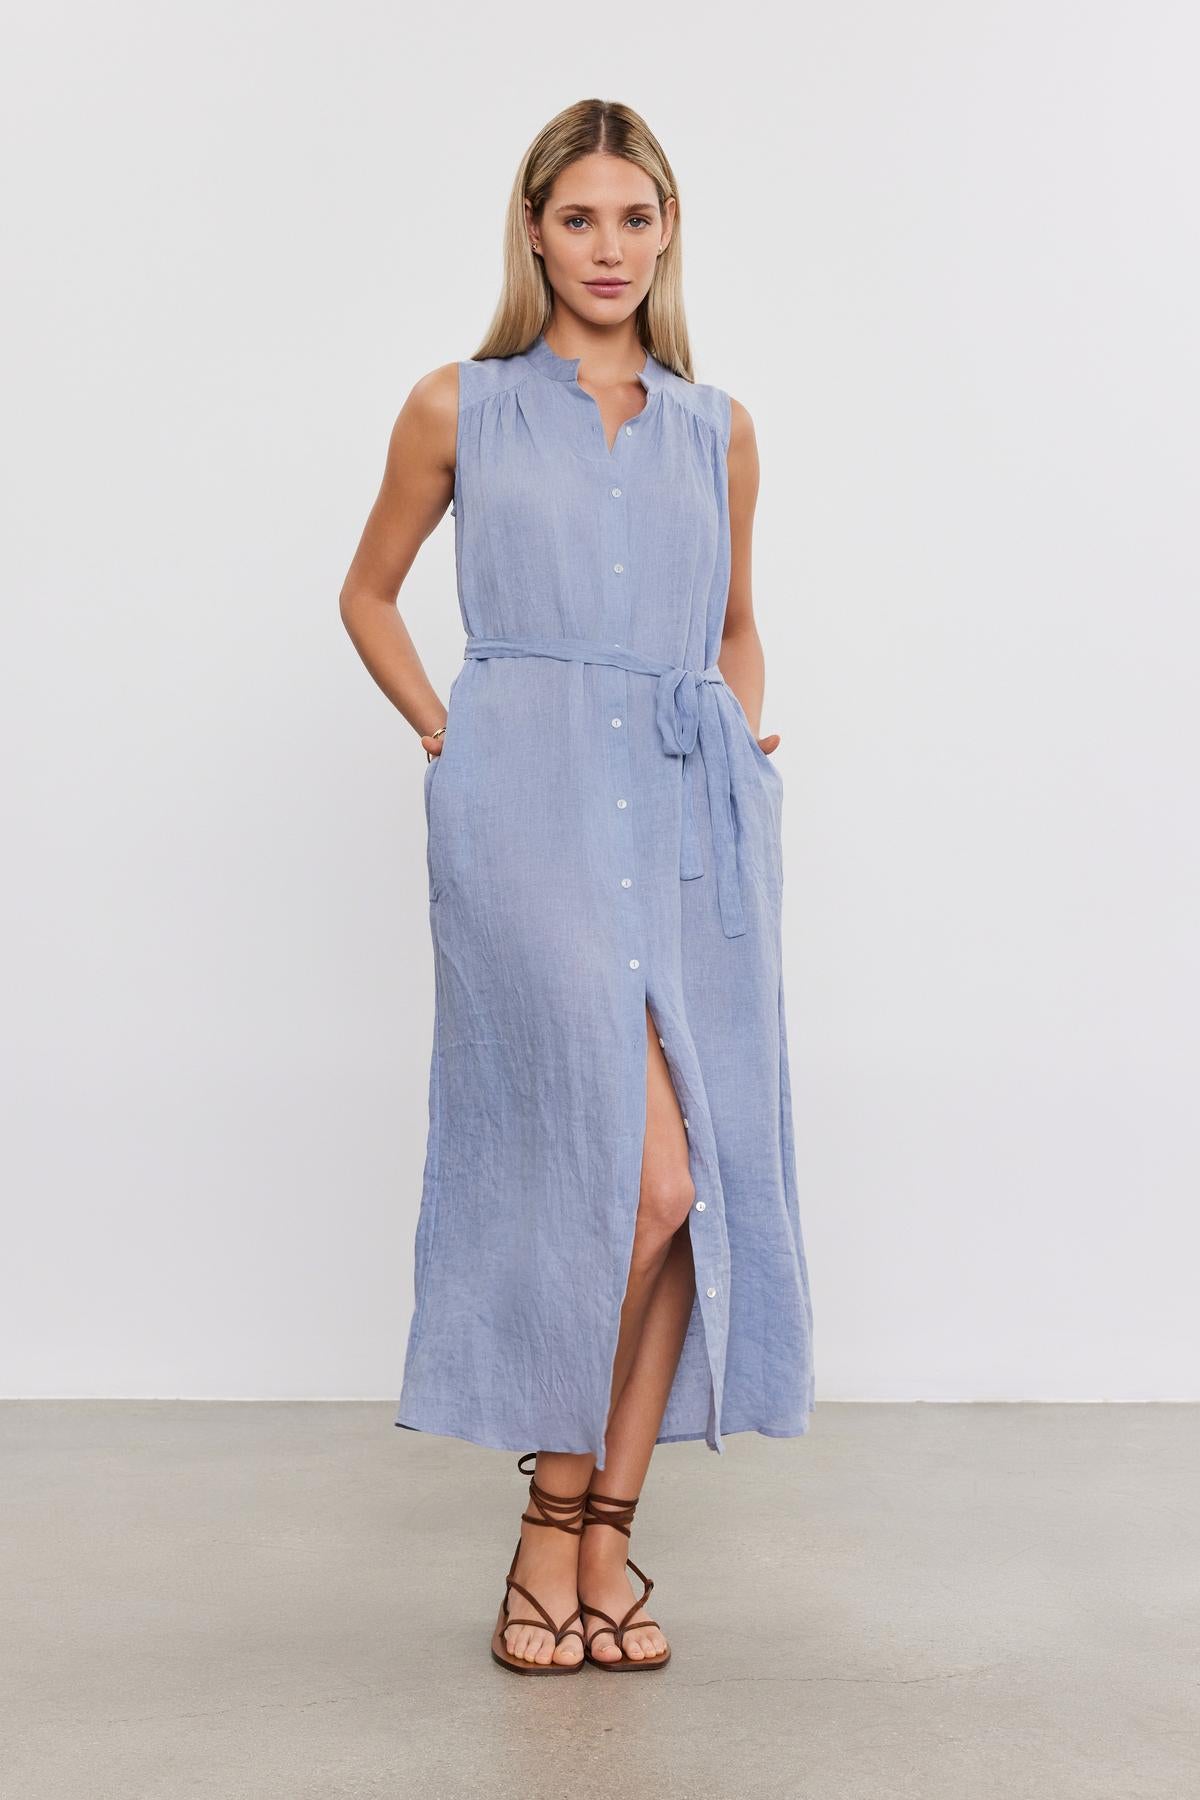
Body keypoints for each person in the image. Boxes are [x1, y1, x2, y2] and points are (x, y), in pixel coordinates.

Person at [339, 98, 814, 1676]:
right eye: (579, 219)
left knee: (685, 1191)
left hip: (688, 818)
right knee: (627, 1174)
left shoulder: (715, 425)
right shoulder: (456, 406)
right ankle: (553, 1530)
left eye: (636, 217)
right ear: (534, 231)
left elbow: (738, 616)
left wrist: (740, 732)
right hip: (527, 810)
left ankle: (599, 1545)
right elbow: (368, 588)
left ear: (667, 230)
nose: (609, 248)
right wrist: (439, 731)